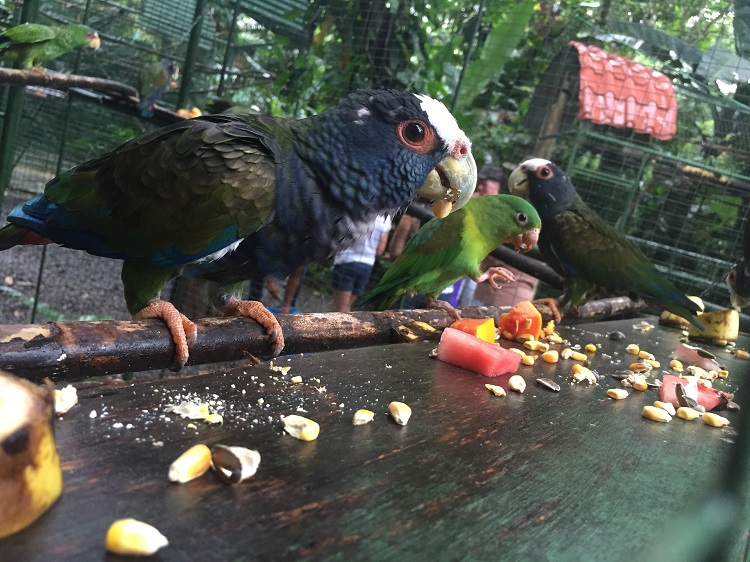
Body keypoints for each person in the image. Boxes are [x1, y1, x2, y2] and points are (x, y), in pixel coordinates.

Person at [458, 163, 539, 308]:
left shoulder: (509, 212)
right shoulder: (489, 204)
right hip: (484, 283)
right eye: (479, 183)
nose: (480, 187)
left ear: (496, 184)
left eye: (484, 183)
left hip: (497, 294)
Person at [332, 215, 393, 312]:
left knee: (341, 310)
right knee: (346, 308)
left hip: (346, 260)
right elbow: (380, 250)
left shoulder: (359, 207)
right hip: (366, 266)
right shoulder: (386, 218)